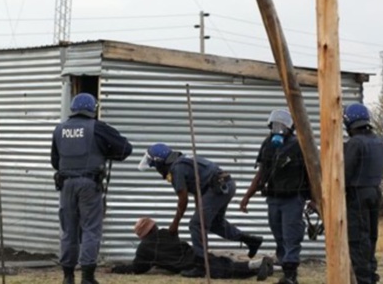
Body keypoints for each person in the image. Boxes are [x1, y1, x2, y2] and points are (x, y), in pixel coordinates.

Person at [139, 143, 263, 278]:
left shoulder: (176, 169)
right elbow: (199, 188)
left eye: (154, 166)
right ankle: (250, 240)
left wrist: (175, 225)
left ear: (159, 163)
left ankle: (201, 265)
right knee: (215, 223)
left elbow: (183, 200)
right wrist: (200, 210)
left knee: (196, 225)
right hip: (225, 185)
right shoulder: (182, 161)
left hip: (218, 189)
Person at [51, 92, 133, 284]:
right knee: (90, 229)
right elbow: (125, 149)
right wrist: (104, 152)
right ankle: (87, 278)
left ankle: (68, 277)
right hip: (89, 184)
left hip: (66, 184)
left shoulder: (59, 129)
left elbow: (55, 161)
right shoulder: (98, 128)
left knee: (69, 230)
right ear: (92, 109)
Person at [240, 109, 310, 284]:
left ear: (289, 127)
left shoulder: (299, 145)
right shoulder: (268, 145)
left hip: (293, 198)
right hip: (273, 198)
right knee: (278, 233)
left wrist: (314, 199)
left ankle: (290, 275)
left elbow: (312, 173)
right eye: (275, 125)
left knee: (291, 235)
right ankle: (283, 265)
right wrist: (247, 196)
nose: (278, 128)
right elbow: (262, 173)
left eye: (282, 125)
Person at [111, 217, 274, 280]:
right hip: (196, 254)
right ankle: (260, 264)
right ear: (154, 227)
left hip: (190, 265)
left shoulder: (144, 249)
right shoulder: (166, 234)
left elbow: (138, 268)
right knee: (222, 263)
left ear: (142, 235)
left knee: (223, 270)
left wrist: (115, 269)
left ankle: (258, 267)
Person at [343, 103, 383, 284]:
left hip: (357, 194)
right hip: (374, 191)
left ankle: (363, 278)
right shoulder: (381, 141)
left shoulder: (355, 143)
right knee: (371, 235)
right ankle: (371, 273)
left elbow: (345, 173)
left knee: (357, 239)